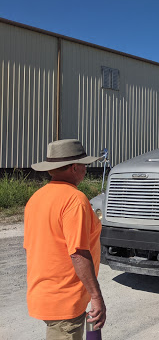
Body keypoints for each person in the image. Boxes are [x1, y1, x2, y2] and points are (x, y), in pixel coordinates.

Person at [24, 139, 106, 340]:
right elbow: (78, 253)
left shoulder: (36, 198)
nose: (86, 170)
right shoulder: (74, 200)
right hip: (65, 300)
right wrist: (96, 297)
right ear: (74, 167)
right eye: (84, 165)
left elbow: (30, 248)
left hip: (44, 293)